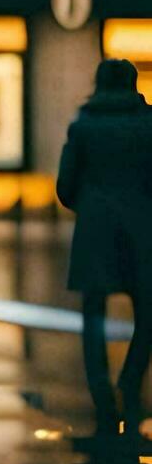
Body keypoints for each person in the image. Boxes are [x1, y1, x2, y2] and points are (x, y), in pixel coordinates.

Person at [57, 58, 152, 439]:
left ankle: (100, 388)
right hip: (143, 228)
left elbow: (65, 186)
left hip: (95, 228)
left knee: (93, 312)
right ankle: (129, 381)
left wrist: (91, 205)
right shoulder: (149, 126)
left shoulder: (82, 127)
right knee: (146, 310)